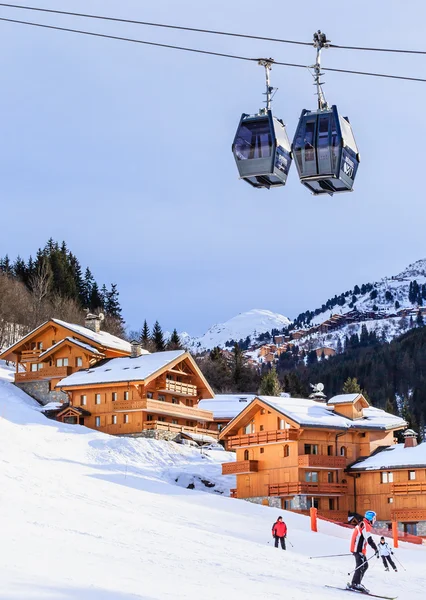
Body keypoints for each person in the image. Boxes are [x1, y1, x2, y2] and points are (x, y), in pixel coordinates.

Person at [348, 510, 378, 593]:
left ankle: (357, 583)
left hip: (358, 549)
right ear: (371, 518)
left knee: (364, 566)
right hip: (358, 549)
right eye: (374, 518)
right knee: (360, 566)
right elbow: (368, 538)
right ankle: (355, 584)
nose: (375, 520)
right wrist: (375, 548)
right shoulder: (365, 525)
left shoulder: (363, 523)